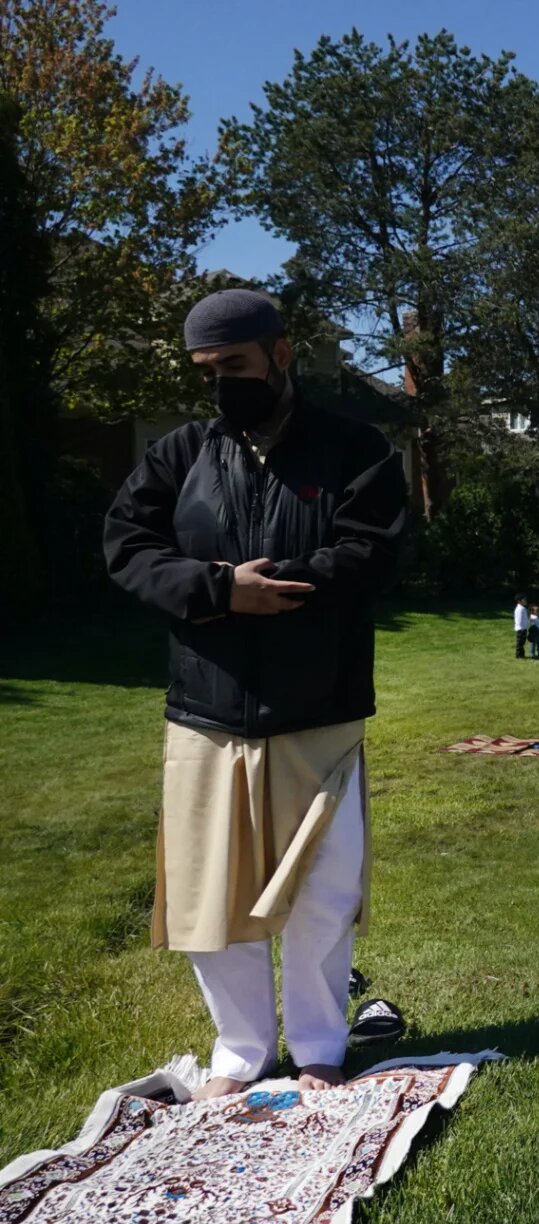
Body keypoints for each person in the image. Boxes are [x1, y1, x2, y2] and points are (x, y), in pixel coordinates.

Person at [102, 287, 406, 1099]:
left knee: (323, 892)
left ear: (281, 352)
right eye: (206, 370)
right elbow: (126, 546)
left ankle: (318, 1047)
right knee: (212, 894)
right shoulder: (181, 454)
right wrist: (218, 589)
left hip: (318, 710)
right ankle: (240, 1054)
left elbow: (371, 552)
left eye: (233, 364)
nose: (220, 383)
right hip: (206, 711)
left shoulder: (355, 448)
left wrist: (280, 588)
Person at [513, 594, 530, 658]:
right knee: (520, 643)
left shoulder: (522, 608)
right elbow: (519, 620)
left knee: (522, 642)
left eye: (525, 599)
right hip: (521, 629)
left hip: (523, 628)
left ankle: (521, 655)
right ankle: (518, 655)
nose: (525, 601)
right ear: (519, 601)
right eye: (524, 600)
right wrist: (521, 628)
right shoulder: (520, 609)